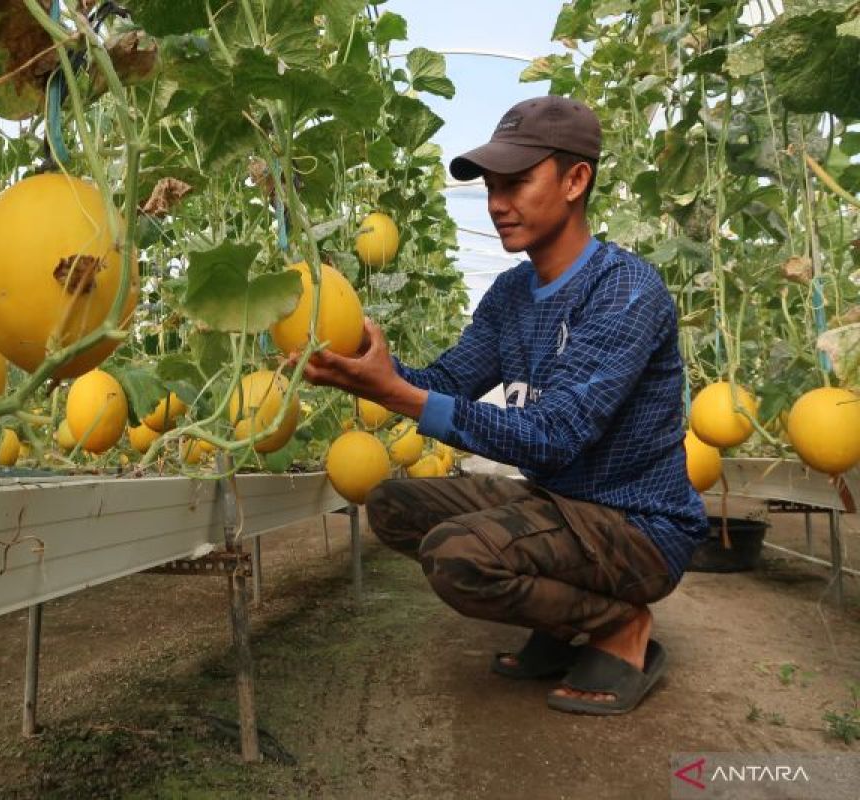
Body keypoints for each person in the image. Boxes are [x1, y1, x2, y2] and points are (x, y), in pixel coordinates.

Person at [298, 96, 708, 715]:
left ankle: (617, 624)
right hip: (560, 510)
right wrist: (367, 367)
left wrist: (399, 395)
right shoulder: (512, 292)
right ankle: (564, 621)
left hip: (637, 527)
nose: (495, 203)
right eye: (491, 186)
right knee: (394, 505)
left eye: (515, 183)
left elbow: (554, 436)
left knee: (457, 555)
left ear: (576, 180)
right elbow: (447, 381)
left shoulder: (625, 289)